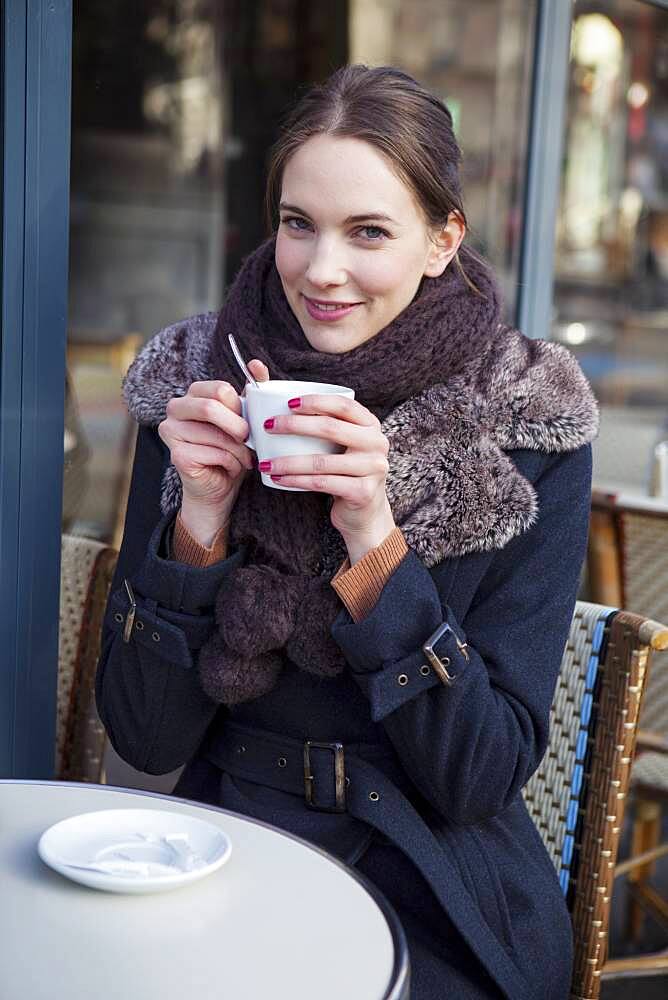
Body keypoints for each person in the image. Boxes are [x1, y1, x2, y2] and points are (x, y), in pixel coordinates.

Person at [96, 65, 598, 999]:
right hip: (222, 851)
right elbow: (146, 735)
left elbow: (476, 777)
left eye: (369, 231)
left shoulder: (523, 419)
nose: (321, 270)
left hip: (427, 883)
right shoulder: (194, 384)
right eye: (298, 223)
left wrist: (376, 542)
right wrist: (198, 520)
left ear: (443, 240)